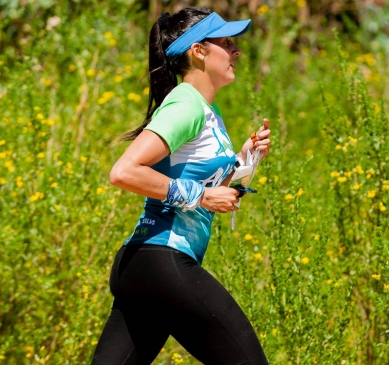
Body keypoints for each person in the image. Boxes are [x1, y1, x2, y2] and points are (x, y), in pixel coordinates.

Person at [91, 7, 270, 365]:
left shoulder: (206, 112)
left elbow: (198, 182)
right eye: (226, 42)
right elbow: (124, 171)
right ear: (199, 51)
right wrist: (202, 196)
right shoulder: (185, 105)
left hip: (142, 266)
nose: (237, 51)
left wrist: (244, 160)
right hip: (162, 262)